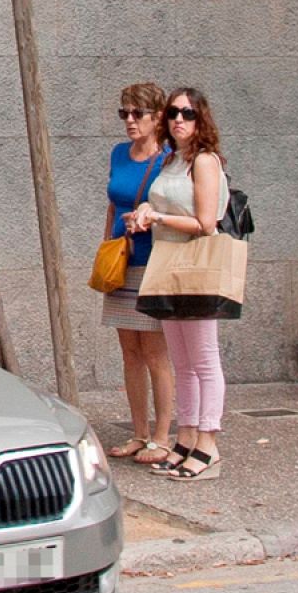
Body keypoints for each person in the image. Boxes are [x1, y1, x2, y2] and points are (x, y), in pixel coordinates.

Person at [126, 87, 230, 481]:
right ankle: (185, 438)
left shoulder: (204, 161)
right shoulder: (171, 160)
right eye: (173, 113)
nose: (179, 121)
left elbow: (206, 223)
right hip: (167, 262)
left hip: (197, 264)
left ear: (201, 118)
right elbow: (166, 208)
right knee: (182, 361)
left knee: (204, 358)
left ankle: (208, 443)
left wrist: (159, 219)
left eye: (187, 114)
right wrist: (145, 214)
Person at [100, 83, 175, 464]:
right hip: (122, 261)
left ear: (157, 117)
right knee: (129, 350)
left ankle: (162, 436)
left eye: (137, 114)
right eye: (123, 113)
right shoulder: (118, 153)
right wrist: (105, 248)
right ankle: (139, 432)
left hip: (155, 261)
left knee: (155, 351)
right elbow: (112, 205)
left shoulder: (168, 159)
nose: (129, 121)